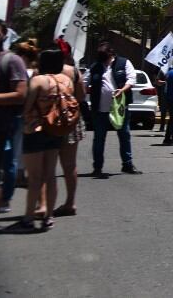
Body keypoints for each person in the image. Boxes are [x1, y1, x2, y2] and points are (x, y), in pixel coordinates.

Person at [3, 49, 71, 232]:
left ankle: (28, 218)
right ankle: (49, 217)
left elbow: (26, 106)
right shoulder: (65, 80)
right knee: (50, 175)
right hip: (56, 130)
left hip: (35, 131)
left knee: (34, 178)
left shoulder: (38, 81)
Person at [87, 42, 141, 178]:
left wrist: (122, 90)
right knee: (99, 138)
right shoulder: (95, 67)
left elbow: (131, 79)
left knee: (124, 135)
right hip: (100, 110)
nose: (103, 61)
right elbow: (84, 83)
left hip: (120, 109)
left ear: (111, 54)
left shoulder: (124, 63)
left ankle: (127, 164)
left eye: (105, 58)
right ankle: (97, 167)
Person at [0, 20, 29, 214]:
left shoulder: (12, 61)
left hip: (5, 123)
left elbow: (20, 94)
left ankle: (4, 200)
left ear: (3, 35)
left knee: (7, 163)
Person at [54, 51, 86, 218]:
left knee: (47, 166)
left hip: (49, 121)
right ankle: (70, 202)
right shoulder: (74, 72)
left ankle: (44, 204)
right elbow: (81, 96)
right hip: (70, 121)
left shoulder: (45, 70)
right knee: (69, 164)